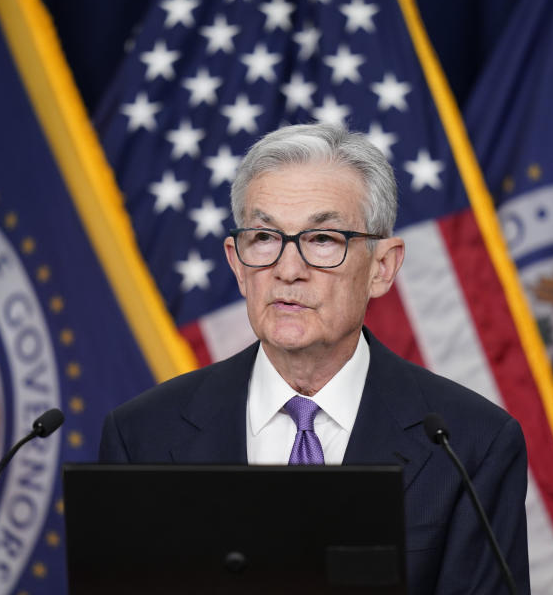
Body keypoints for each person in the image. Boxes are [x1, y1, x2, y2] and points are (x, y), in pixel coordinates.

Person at [99, 122, 530, 593]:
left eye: (322, 239)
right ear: (237, 263)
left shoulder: (472, 445)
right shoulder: (141, 436)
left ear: (382, 268)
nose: (287, 270)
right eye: (264, 238)